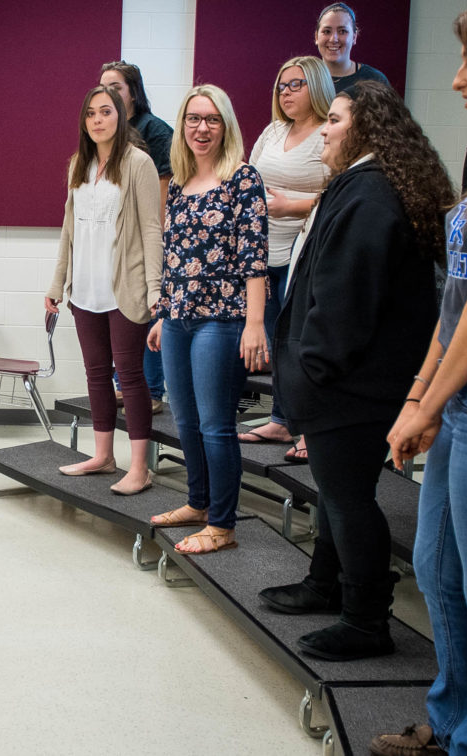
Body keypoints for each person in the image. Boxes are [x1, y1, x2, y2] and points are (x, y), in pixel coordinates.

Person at [260, 82, 453, 662]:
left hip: (351, 385)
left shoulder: (369, 195)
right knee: (336, 493)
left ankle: (366, 621)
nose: (324, 127)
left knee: (348, 499)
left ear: (366, 129)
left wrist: (311, 372)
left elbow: (346, 301)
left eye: (336, 119)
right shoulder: (367, 185)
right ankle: (325, 585)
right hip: (354, 382)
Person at [370, 12, 467, 754]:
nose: (457, 78)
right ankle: (451, 721)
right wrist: (420, 399)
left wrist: (426, 405)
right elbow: (456, 300)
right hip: (457, 402)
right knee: (438, 569)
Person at [146, 85, 269, 553]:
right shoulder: (177, 181)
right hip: (178, 317)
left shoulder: (243, 178)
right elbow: (174, 255)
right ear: (183, 126)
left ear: (226, 126)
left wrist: (255, 323)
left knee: (217, 424)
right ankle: (197, 503)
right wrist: (162, 315)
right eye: (194, 119)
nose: (202, 128)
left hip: (224, 318)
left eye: (212, 119)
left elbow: (254, 258)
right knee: (186, 419)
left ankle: (222, 524)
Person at [45, 85, 163, 495]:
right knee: (96, 373)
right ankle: (103, 455)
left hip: (125, 289)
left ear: (121, 117)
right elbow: (68, 229)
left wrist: (155, 289)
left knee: (129, 375)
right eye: (91, 113)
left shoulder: (139, 163)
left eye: (106, 112)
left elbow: (151, 228)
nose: (98, 120)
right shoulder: (79, 163)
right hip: (85, 290)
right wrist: (57, 284)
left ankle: (140, 467)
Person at [238, 56, 333, 462]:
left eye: (296, 84)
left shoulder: (329, 132)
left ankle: (310, 428)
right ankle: (280, 419)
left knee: (301, 345)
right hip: (264, 251)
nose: (286, 92)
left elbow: (343, 193)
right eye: (281, 86)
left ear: (317, 86)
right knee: (277, 345)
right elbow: (249, 173)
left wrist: (294, 204)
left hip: (305, 251)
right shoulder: (274, 130)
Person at [100, 60, 172, 414]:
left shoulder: (155, 131)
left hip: (150, 237)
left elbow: (163, 191)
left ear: (133, 92)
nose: (108, 93)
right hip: (118, 240)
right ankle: (123, 384)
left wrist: (152, 242)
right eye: (103, 86)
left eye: (116, 86)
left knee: (147, 311)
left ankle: (153, 391)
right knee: (123, 312)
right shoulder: (108, 131)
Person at [314, 3, 389, 94]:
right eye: (327, 31)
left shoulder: (375, 80)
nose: (333, 39)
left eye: (342, 31)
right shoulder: (303, 79)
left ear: (354, 37)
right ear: (316, 37)